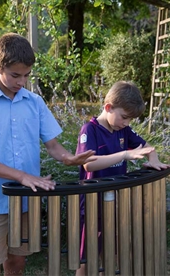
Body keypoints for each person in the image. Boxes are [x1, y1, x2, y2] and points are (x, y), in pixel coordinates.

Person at [0, 32, 96, 276]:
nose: (22, 81)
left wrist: (69, 158)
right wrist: (21, 176)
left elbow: (53, 146)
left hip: (26, 200)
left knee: (17, 262)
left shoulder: (35, 102)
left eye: (27, 75)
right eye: (15, 75)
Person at [75, 80, 170, 276]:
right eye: (124, 117)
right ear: (108, 107)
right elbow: (89, 163)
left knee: (111, 251)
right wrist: (124, 155)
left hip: (117, 203)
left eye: (130, 120)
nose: (126, 123)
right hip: (93, 204)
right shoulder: (89, 130)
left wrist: (153, 158)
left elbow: (147, 147)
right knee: (87, 255)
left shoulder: (123, 130)